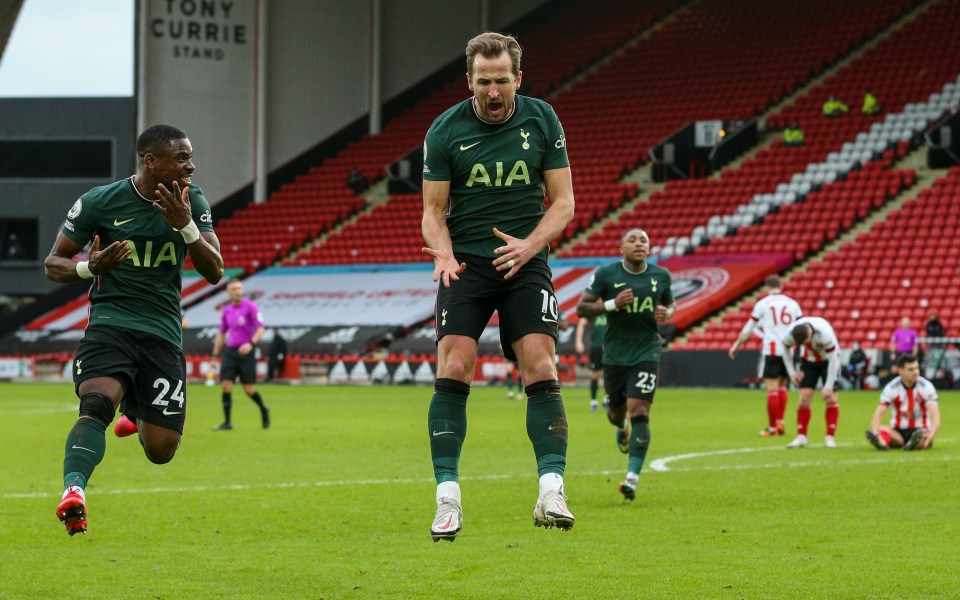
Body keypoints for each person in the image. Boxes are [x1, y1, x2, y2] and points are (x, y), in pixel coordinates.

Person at [421, 32, 576, 541]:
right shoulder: (444, 131)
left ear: (518, 78)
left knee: (541, 362)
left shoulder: (541, 118)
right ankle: (447, 499)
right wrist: (442, 253)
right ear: (470, 81)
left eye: (502, 80)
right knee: (455, 363)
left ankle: (551, 491)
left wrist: (529, 246)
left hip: (525, 261)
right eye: (484, 81)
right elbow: (433, 212)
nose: (493, 91)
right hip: (465, 265)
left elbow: (563, 204)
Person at [44, 124, 224, 535]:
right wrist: (92, 267)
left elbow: (215, 271)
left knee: (161, 451)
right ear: (151, 161)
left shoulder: (191, 200)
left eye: (190, 157)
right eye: (182, 158)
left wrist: (187, 226)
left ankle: (136, 410)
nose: (191, 165)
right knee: (95, 403)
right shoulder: (100, 201)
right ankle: (74, 490)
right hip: (111, 323)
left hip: (162, 332)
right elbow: (54, 263)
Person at [576, 228, 675, 501]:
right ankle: (622, 429)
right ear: (622, 248)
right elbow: (582, 309)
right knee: (617, 414)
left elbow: (671, 304)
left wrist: (668, 312)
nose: (639, 243)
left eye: (644, 239)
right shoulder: (607, 274)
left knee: (640, 409)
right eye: (632, 239)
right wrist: (612, 304)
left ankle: (632, 477)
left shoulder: (661, 276)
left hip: (647, 350)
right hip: (615, 355)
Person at [728, 276, 803, 436]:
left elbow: (749, 328)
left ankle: (771, 428)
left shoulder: (763, 304)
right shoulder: (793, 304)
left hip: (772, 350)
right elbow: (801, 328)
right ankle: (780, 424)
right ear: (781, 286)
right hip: (789, 351)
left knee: (772, 389)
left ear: (766, 288)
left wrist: (737, 345)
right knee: (783, 387)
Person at [211, 278, 270, 430]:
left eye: (239, 288)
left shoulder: (250, 307)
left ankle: (263, 409)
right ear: (229, 292)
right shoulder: (227, 310)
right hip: (230, 352)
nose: (238, 291)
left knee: (248, 390)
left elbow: (260, 328)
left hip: (246, 353)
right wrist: (215, 356)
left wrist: (250, 344)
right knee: (226, 386)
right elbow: (221, 333)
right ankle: (227, 422)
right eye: (234, 289)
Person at [777, 316, 842, 448]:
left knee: (831, 398)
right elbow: (785, 350)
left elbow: (833, 360)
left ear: (811, 334)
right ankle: (801, 436)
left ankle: (830, 437)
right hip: (808, 361)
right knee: (804, 397)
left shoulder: (824, 333)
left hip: (828, 362)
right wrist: (791, 373)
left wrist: (828, 386)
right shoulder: (791, 332)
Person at [865, 354, 940, 451]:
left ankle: (915, 442)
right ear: (900, 371)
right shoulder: (891, 388)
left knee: (922, 437)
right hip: (898, 431)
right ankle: (881, 442)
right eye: (911, 369)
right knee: (883, 430)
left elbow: (935, 416)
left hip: (920, 429)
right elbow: (879, 413)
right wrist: (876, 432)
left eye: (917, 368)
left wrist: (931, 436)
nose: (916, 372)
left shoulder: (926, 387)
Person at [575, 312, 607, 411]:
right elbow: (581, 323)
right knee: (595, 374)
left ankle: (607, 398)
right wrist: (578, 341)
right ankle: (593, 401)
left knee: (609, 373)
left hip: (608, 347)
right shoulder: (592, 311)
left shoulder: (609, 309)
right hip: (596, 348)